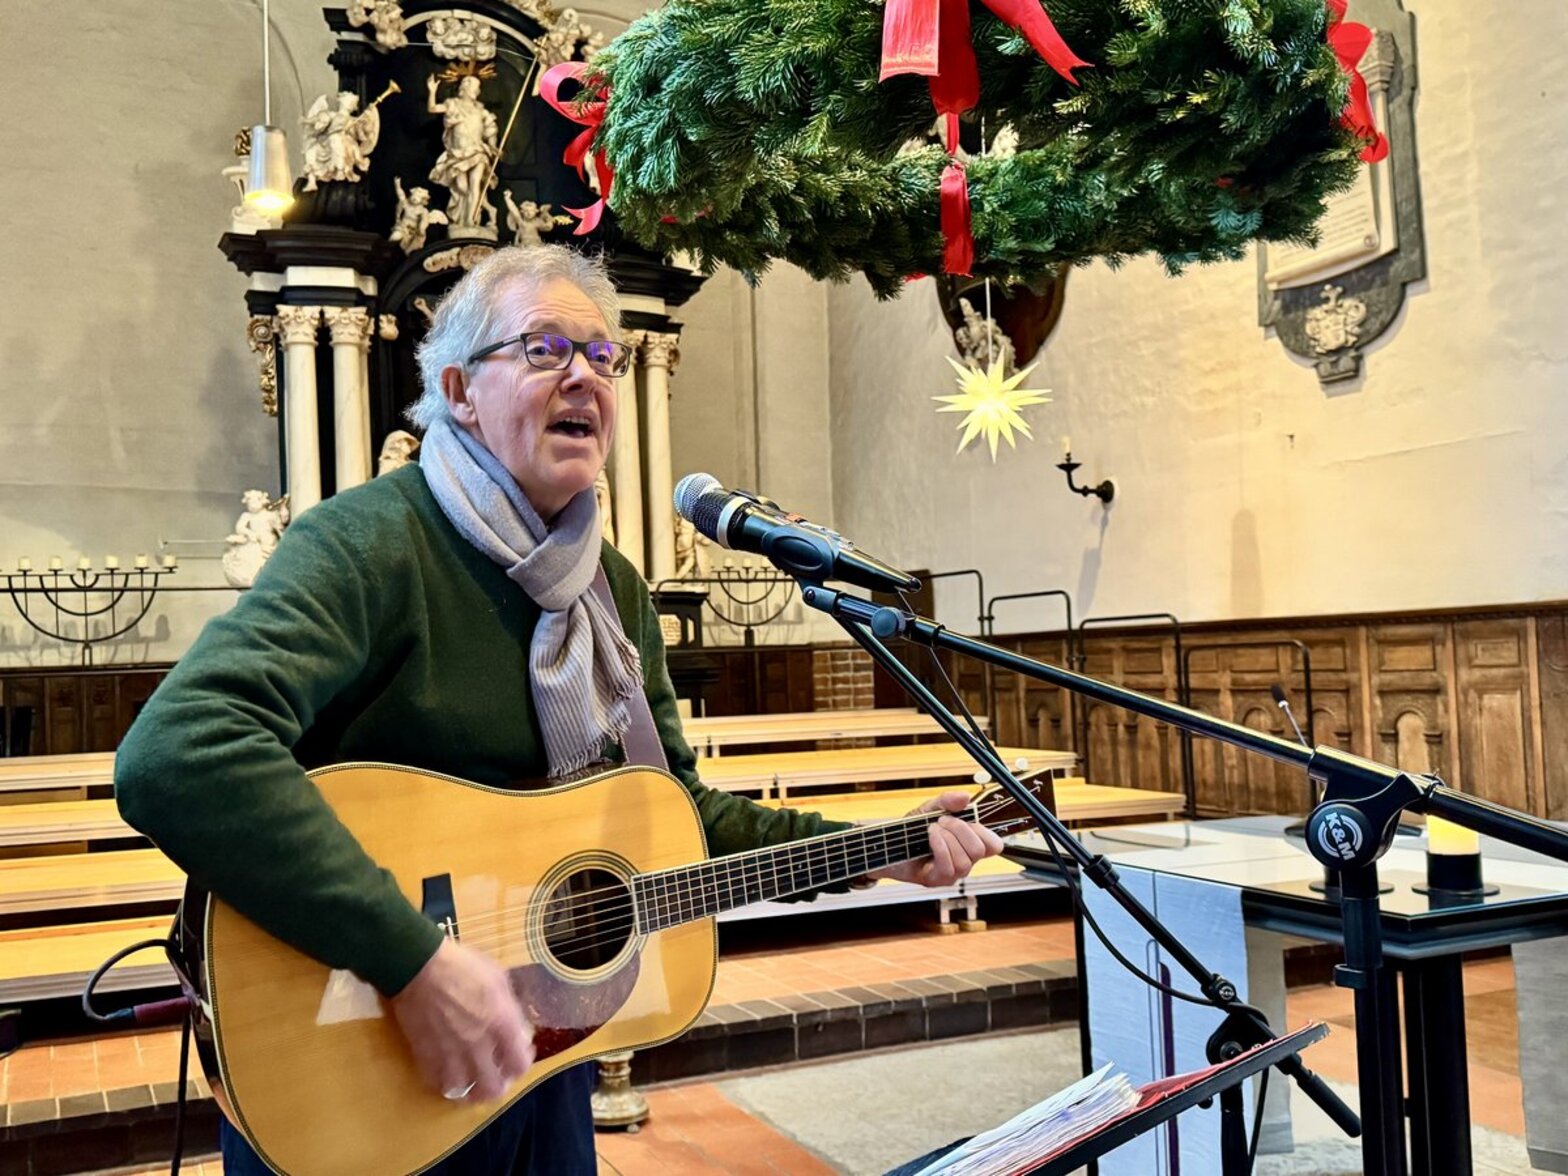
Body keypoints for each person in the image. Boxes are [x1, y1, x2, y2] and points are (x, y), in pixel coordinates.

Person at [114, 245, 1003, 1173]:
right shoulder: (369, 544)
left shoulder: (610, 589)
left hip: (540, 1059)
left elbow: (679, 821)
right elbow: (178, 751)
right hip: (357, 1055)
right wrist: (409, 958)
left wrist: (882, 848)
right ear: (459, 389)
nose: (586, 375)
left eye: (603, 356)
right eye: (545, 349)